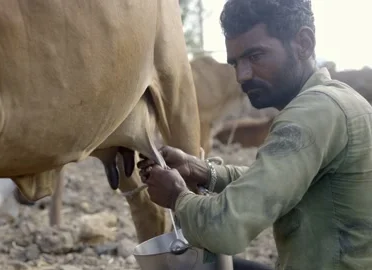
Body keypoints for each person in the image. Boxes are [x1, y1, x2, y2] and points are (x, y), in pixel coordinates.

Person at [137, 0, 372, 269]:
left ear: (304, 43)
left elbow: (226, 229)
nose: (242, 75)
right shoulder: (340, 100)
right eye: (235, 63)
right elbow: (273, 181)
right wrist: (201, 170)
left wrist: (177, 196)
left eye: (256, 56)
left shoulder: (310, 114)